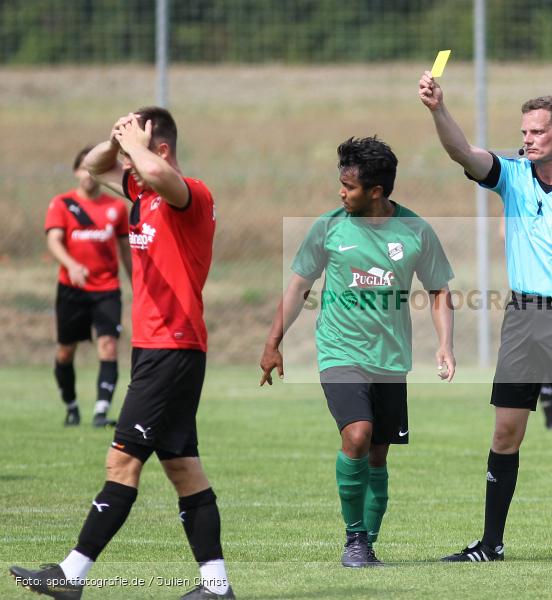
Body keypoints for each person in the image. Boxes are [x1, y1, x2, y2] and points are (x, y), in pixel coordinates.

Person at [10, 108, 235, 599]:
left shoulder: (187, 193)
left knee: (122, 463)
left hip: (172, 347)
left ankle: (72, 575)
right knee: (182, 468)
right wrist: (117, 141)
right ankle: (216, 588)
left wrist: (137, 148)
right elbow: (93, 166)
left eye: (137, 153)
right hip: (157, 348)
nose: (127, 171)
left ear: (161, 150)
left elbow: (155, 172)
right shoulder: (141, 191)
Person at [419, 72, 552, 563]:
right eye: (524, 132)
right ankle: (491, 545)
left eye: (537, 131)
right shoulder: (513, 176)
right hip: (521, 318)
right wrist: (438, 109)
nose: (527, 139)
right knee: (505, 432)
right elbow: (463, 153)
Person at [259, 136, 456, 568]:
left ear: (377, 192)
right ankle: (354, 539)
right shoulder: (329, 227)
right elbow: (297, 286)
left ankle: (367, 543)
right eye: (341, 184)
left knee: (378, 455)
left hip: (390, 359)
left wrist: (445, 345)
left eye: (349, 187)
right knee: (357, 435)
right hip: (339, 351)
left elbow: (439, 290)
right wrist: (273, 342)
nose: (341, 193)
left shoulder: (416, 231)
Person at [45, 146, 131, 428]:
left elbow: (125, 251)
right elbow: (54, 240)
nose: (87, 174)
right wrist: (71, 264)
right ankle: (71, 405)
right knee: (65, 352)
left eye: (91, 168)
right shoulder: (62, 204)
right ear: (75, 172)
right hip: (72, 289)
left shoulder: (116, 207)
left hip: (106, 288)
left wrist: (138, 283)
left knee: (107, 346)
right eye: (82, 168)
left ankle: (100, 411)